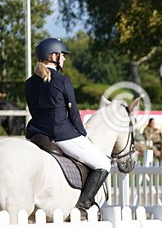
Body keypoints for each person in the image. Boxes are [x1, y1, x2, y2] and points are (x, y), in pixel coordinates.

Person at [24, 38, 110, 211]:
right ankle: (83, 205)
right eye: (62, 55)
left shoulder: (29, 83)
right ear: (54, 56)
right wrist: (82, 134)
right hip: (61, 134)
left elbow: (34, 111)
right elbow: (74, 113)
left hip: (35, 134)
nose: (64, 59)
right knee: (103, 164)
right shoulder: (62, 81)